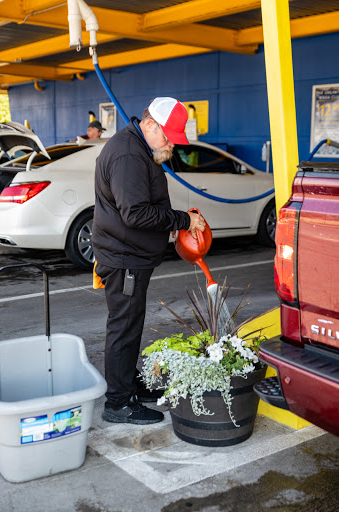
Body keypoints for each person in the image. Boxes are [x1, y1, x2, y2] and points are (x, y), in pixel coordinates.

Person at [92, 97, 205, 425]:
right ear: (150, 124)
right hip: (125, 257)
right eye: (168, 137)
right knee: (124, 327)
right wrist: (181, 221)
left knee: (130, 323)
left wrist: (167, 224)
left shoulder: (139, 147)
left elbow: (142, 202)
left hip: (130, 254)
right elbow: (136, 213)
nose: (171, 145)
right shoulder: (129, 155)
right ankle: (118, 402)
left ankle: (129, 384)